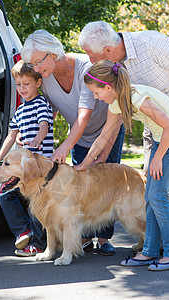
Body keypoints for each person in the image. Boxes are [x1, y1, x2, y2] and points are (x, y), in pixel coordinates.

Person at [78, 21, 169, 267]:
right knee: (151, 192)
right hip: (158, 127)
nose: (90, 60)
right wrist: (87, 163)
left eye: (91, 55)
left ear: (107, 51)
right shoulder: (113, 78)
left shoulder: (152, 44)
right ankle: (152, 247)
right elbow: (107, 132)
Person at [20, 29, 125, 256]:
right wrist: (42, 139)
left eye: (38, 62)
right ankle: (85, 236)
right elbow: (50, 114)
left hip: (107, 130)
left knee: (106, 183)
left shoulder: (85, 66)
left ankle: (105, 238)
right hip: (79, 135)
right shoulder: (45, 80)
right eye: (33, 64)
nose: (37, 68)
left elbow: (84, 115)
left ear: (53, 52)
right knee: (82, 186)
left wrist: (65, 146)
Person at [0, 60, 53, 257]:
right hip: (22, 166)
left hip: (39, 165)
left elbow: (44, 125)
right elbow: (11, 137)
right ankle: (24, 231)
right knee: (4, 192)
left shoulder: (41, 103)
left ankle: (38, 243)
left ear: (38, 83)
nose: (22, 88)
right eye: (18, 84)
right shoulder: (20, 110)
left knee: (36, 203)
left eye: (26, 84)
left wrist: (38, 139)